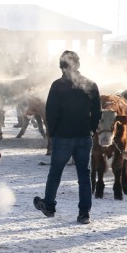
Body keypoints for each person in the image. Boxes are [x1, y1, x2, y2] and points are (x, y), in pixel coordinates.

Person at [34, 50, 101, 224]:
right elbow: (96, 113)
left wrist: (53, 134)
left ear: (62, 66)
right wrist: (91, 129)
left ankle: (49, 205)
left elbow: (51, 112)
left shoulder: (57, 85)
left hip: (63, 136)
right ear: (78, 65)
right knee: (84, 176)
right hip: (83, 136)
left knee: (55, 173)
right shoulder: (91, 84)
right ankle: (84, 213)